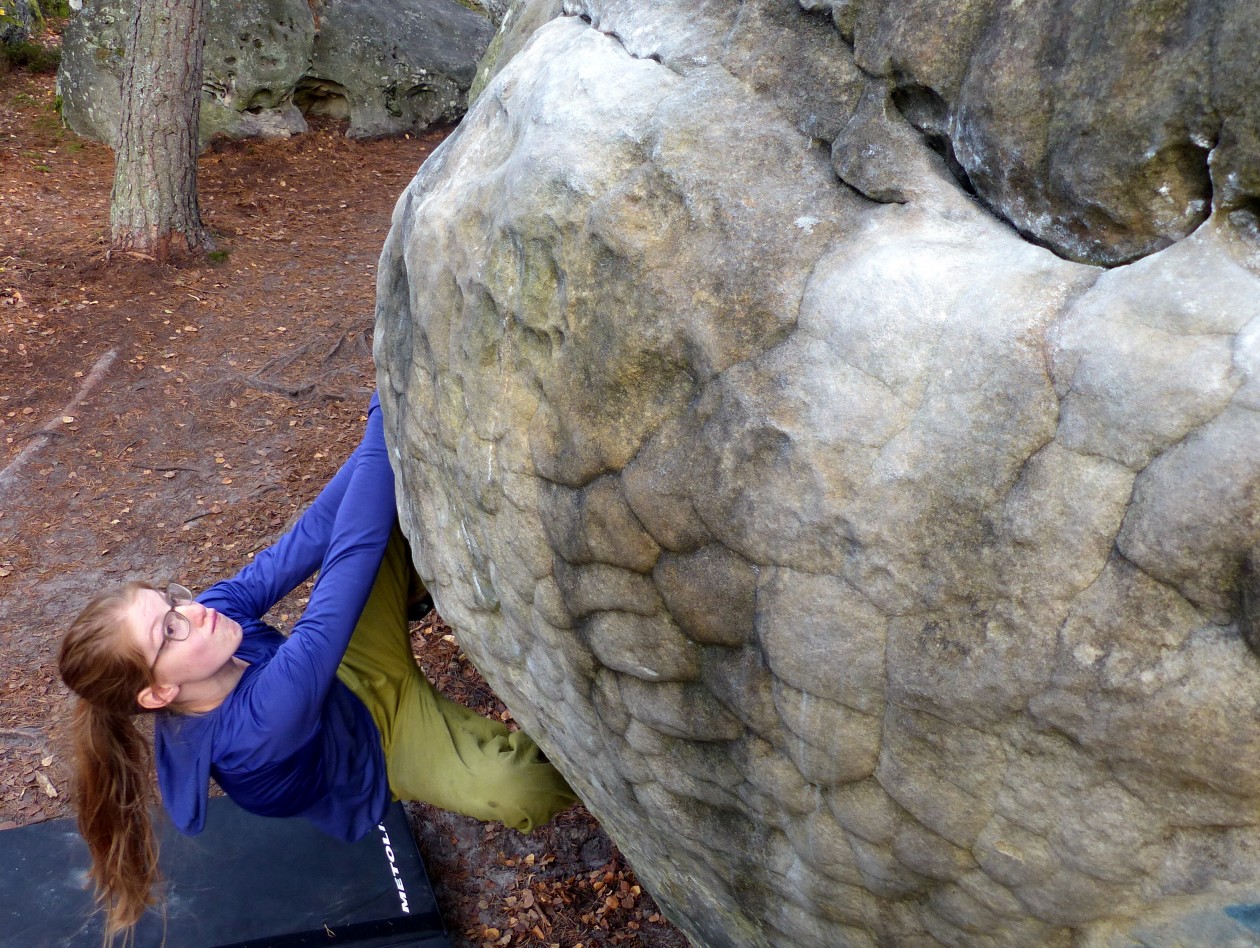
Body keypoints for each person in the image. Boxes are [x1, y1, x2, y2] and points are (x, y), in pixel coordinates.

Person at [58, 391, 577, 938]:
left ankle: (416, 587)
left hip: (342, 669)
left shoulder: (209, 615)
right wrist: (392, 400)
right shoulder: (254, 732)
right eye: (168, 630)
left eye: (171, 600)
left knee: (387, 499)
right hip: (385, 746)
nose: (192, 613)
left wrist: (393, 397)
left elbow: (313, 533)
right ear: (159, 693)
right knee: (521, 788)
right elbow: (348, 556)